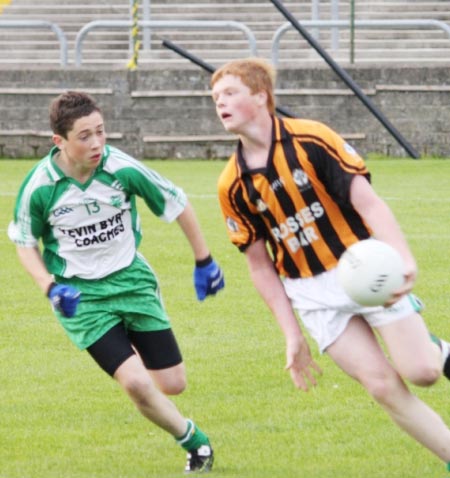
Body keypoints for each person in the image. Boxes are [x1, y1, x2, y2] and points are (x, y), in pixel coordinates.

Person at [210, 57, 450, 471]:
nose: (220, 103)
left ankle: (436, 351)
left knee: (423, 371)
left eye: (230, 93)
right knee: (382, 386)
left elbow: (367, 203)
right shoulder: (231, 184)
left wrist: (402, 257)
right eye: (215, 97)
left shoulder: (312, 140)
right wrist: (292, 335)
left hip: (363, 266)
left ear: (261, 96)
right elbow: (260, 266)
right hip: (311, 293)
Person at [8, 90, 224, 474]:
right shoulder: (39, 187)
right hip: (82, 298)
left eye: (101, 132)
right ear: (59, 141)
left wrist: (203, 260)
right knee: (137, 384)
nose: (96, 143)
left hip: (133, 282)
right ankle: (196, 443)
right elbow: (25, 242)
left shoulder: (121, 168)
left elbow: (177, 202)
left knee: (173, 384)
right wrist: (49, 287)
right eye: (84, 136)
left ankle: (137, 367)